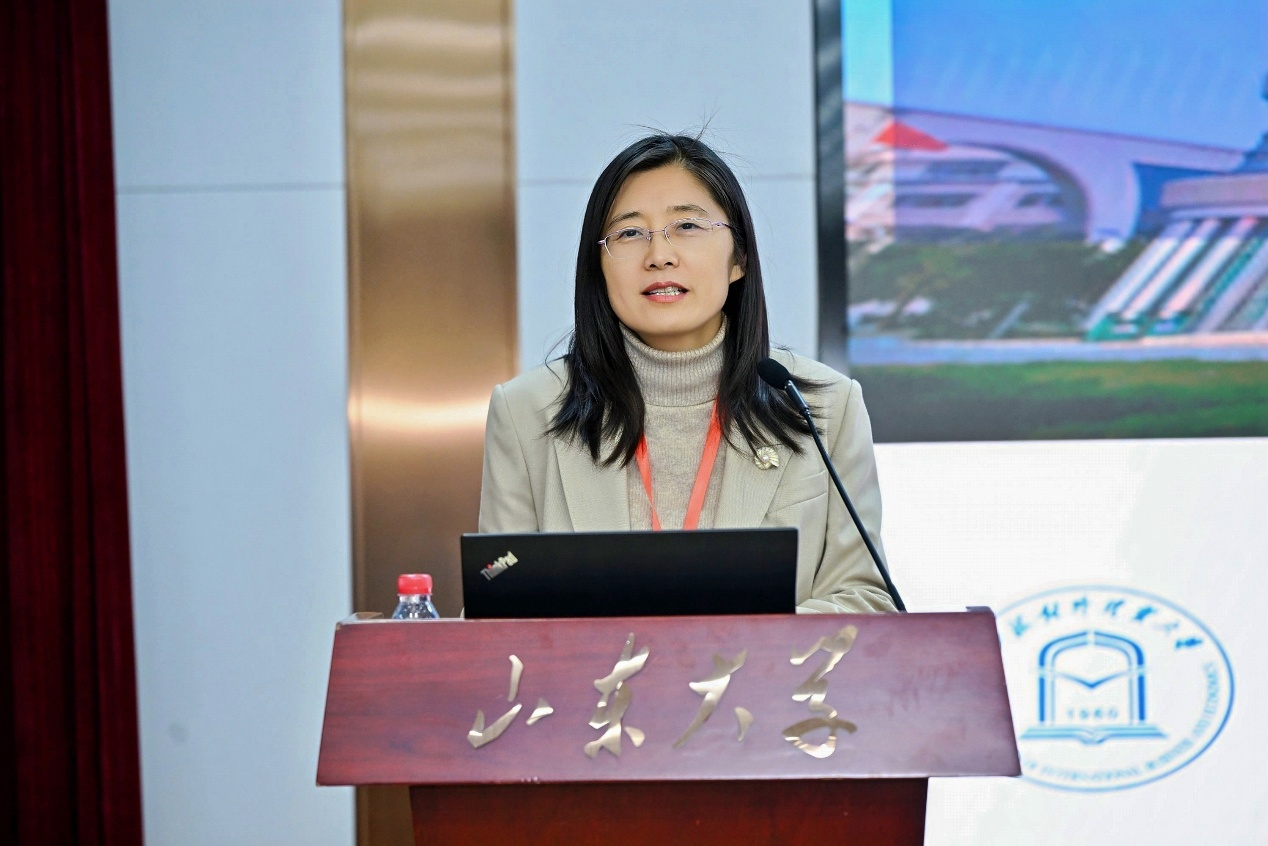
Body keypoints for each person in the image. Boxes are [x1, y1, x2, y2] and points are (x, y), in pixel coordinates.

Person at [478, 133, 895, 613]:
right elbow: (495, 608)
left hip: (763, 668)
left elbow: (865, 599)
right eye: (629, 233)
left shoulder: (826, 407)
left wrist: (729, 642)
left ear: (739, 258)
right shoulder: (526, 412)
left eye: (687, 226)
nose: (659, 254)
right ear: (599, 267)